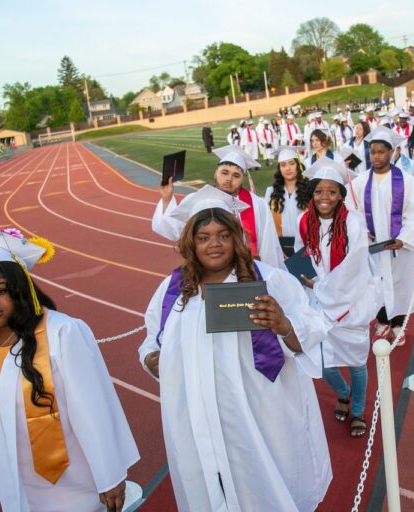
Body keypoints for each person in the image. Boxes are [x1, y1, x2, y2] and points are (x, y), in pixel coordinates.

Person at [0, 222, 139, 512]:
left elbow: (93, 406)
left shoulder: (62, 332)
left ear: (20, 290)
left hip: (75, 485)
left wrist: (109, 476)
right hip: (15, 484)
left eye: (0, 291)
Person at [138, 186, 331, 511]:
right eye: (203, 237)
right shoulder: (174, 290)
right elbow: (150, 338)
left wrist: (284, 324)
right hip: (197, 415)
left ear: (236, 238)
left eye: (223, 235)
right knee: (211, 490)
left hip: (259, 413)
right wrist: (151, 358)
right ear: (191, 243)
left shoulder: (270, 280)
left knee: (266, 486)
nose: (214, 244)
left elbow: (313, 330)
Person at [295, 158, 380, 438]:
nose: (325, 197)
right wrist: (307, 284)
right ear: (312, 193)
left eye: (332, 191)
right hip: (317, 304)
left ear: (341, 195)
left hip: (350, 303)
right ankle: (342, 393)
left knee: (356, 362)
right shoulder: (304, 221)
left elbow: (353, 269)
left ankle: (357, 410)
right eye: (319, 191)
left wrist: (321, 288)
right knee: (322, 360)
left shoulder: (353, 223)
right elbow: (299, 255)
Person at [349, 126, 414, 345]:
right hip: (372, 246)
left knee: (401, 284)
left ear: (391, 153)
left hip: (398, 246)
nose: (376, 156)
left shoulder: (406, 181)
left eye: (381, 151)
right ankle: (382, 321)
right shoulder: (360, 182)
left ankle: (398, 325)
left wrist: (403, 239)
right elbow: (351, 212)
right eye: (372, 151)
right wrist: (364, 231)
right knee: (376, 283)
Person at [153, 144, 285, 268]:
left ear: (242, 179)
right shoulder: (198, 200)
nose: (229, 179)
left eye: (236, 175)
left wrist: (269, 275)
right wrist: (166, 199)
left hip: (247, 271)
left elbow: (269, 245)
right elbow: (172, 230)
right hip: (207, 271)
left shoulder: (257, 204)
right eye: (224, 172)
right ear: (215, 173)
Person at [264, 145, 310, 244]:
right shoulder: (271, 192)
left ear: (298, 166)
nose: (287, 168)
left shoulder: (308, 191)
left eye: (291, 164)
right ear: (279, 168)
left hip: (305, 245)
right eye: (283, 165)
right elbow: (267, 223)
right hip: (279, 245)